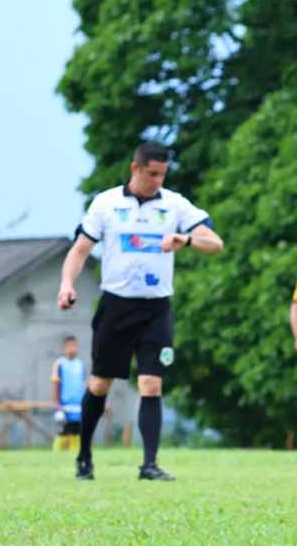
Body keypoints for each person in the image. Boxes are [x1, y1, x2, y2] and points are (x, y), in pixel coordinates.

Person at [58, 142, 223, 481]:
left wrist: (186, 240)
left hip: (156, 309)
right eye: (152, 174)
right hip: (116, 306)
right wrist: (66, 284)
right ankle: (84, 456)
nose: (158, 180)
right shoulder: (106, 203)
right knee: (100, 384)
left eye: (163, 174)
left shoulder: (175, 205)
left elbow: (215, 242)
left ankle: (149, 465)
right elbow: (79, 250)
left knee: (151, 383)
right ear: (136, 168)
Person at [51, 335, 86, 452]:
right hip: (64, 405)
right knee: (64, 430)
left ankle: (75, 453)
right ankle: (57, 453)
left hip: (79, 405)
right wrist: (57, 405)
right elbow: (56, 384)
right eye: (70, 346)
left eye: (75, 346)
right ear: (64, 348)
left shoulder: (80, 364)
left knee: (77, 430)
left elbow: (84, 384)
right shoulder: (60, 363)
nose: (73, 349)